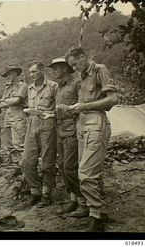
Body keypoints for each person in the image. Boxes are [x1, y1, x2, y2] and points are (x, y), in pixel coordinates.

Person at [65, 47, 119, 231]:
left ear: (83, 57)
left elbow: (112, 100)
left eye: (75, 63)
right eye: (72, 66)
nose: (74, 68)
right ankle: (96, 210)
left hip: (96, 123)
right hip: (83, 124)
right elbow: (84, 104)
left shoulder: (99, 70)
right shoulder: (83, 76)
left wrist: (84, 106)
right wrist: (74, 108)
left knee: (86, 173)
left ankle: (96, 216)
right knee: (88, 171)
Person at [48, 57, 84, 215]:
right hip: (60, 131)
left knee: (71, 167)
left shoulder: (76, 83)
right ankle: (73, 199)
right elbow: (58, 110)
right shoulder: (58, 88)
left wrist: (71, 112)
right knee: (62, 166)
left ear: (65, 68)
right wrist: (49, 114)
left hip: (72, 130)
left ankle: (84, 202)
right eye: (53, 68)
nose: (54, 71)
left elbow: (83, 106)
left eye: (56, 68)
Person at [22, 61, 58, 208]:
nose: (32, 75)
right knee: (26, 161)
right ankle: (35, 191)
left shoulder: (53, 87)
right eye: (30, 72)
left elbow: (58, 110)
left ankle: (46, 193)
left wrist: (46, 114)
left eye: (34, 72)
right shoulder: (29, 89)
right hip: (31, 125)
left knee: (47, 162)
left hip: (47, 126)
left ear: (42, 70)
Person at [0, 65, 28, 176]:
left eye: (10, 73)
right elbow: (1, 103)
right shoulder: (7, 87)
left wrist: (7, 101)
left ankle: (24, 168)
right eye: (7, 75)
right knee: (9, 143)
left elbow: (17, 100)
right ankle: (17, 166)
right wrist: (8, 101)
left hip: (18, 114)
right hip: (8, 114)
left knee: (19, 143)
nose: (8, 76)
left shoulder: (22, 85)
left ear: (16, 73)